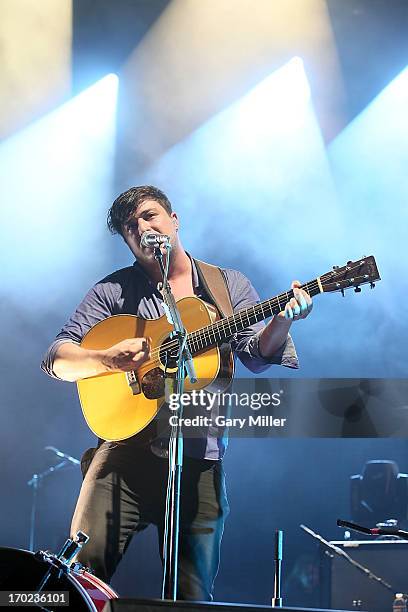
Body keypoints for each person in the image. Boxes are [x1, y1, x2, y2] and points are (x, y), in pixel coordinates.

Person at [41, 185, 313, 600]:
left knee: (192, 595)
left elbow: (257, 356)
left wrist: (282, 322)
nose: (144, 228)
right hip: (123, 454)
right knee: (77, 581)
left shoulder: (226, 285)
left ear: (174, 220)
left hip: (199, 457)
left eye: (150, 216)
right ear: (128, 242)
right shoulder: (113, 292)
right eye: (132, 227)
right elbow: (56, 358)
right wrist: (108, 360)